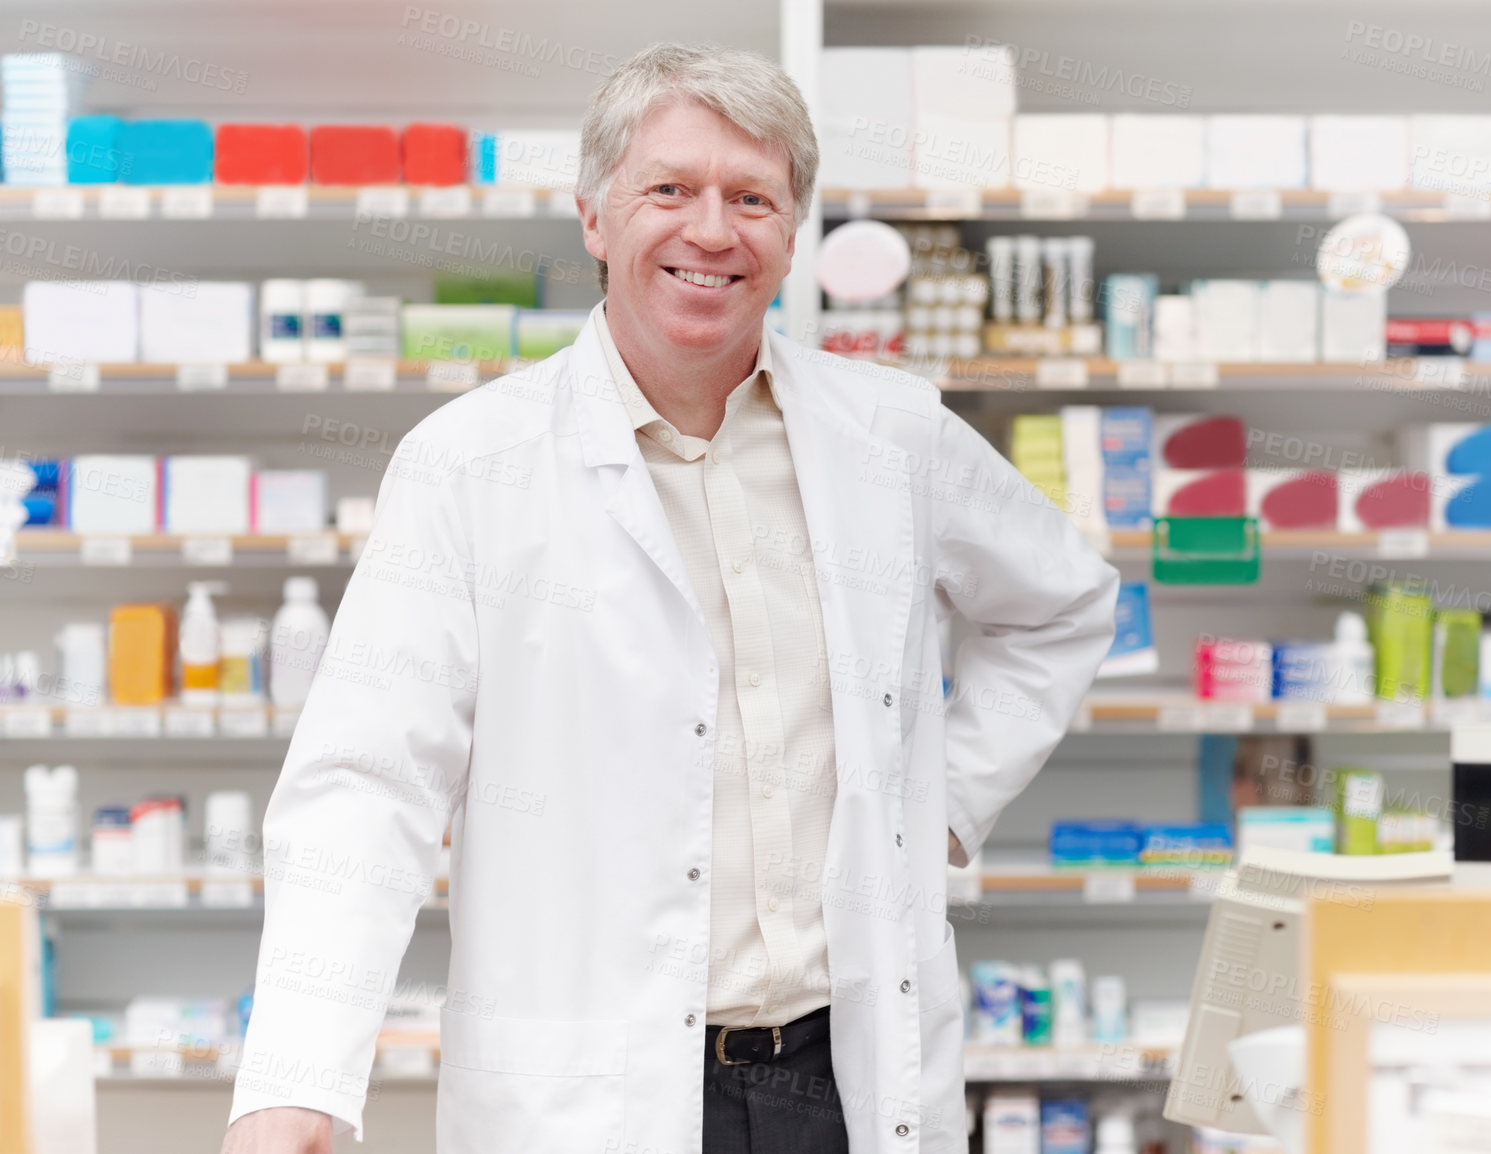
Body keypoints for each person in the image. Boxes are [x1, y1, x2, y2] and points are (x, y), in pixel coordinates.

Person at [220, 41, 1118, 1154]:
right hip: (589, 1090)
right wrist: (298, 1076)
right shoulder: (470, 464)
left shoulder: (891, 434)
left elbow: (1064, 604)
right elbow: (366, 783)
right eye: (670, 189)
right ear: (595, 217)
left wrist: (936, 802)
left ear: (793, 236)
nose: (712, 229)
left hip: (841, 1075)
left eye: (753, 197)